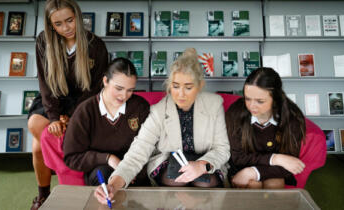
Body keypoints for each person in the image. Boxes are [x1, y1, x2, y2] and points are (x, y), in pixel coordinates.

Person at [94, 48, 231, 205]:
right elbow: (138, 151)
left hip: (205, 161)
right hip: (168, 163)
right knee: (176, 179)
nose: (181, 94)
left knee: (205, 181)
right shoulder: (159, 110)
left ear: (199, 86)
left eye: (188, 87)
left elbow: (222, 148)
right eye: (175, 86)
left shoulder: (214, 104)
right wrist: (113, 185)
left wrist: (202, 165)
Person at [27, 0, 108, 209]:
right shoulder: (43, 42)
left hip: (84, 100)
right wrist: (55, 117)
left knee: (38, 146)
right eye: (59, 24)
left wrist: (73, 115)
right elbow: (45, 84)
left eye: (70, 20)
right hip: (53, 97)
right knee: (36, 126)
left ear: (78, 17)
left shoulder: (95, 45)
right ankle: (44, 194)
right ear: (51, 25)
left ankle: (65, 184)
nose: (66, 28)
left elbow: (95, 88)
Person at [63, 58, 150, 186]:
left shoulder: (140, 107)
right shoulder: (85, 111)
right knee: (104, 175)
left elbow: (149, 145)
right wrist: (108, 158)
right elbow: (72, 157)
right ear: (105, 81)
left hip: (135, 170)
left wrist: (127, 170)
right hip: (102, 172)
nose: (124, 96)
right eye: (119, 88)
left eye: (130, 90)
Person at [225, 67, 306, 189]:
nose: (251, 106)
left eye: (260, 101)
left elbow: (291, 164)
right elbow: (237, 157)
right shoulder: (235, 112)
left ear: (275, 100)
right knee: (252, 185)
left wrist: (254, 172)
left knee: (275, 183)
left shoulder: (292, 117)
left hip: (276, 171)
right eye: (247, 98)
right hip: (240, 167)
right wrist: (275, 158)